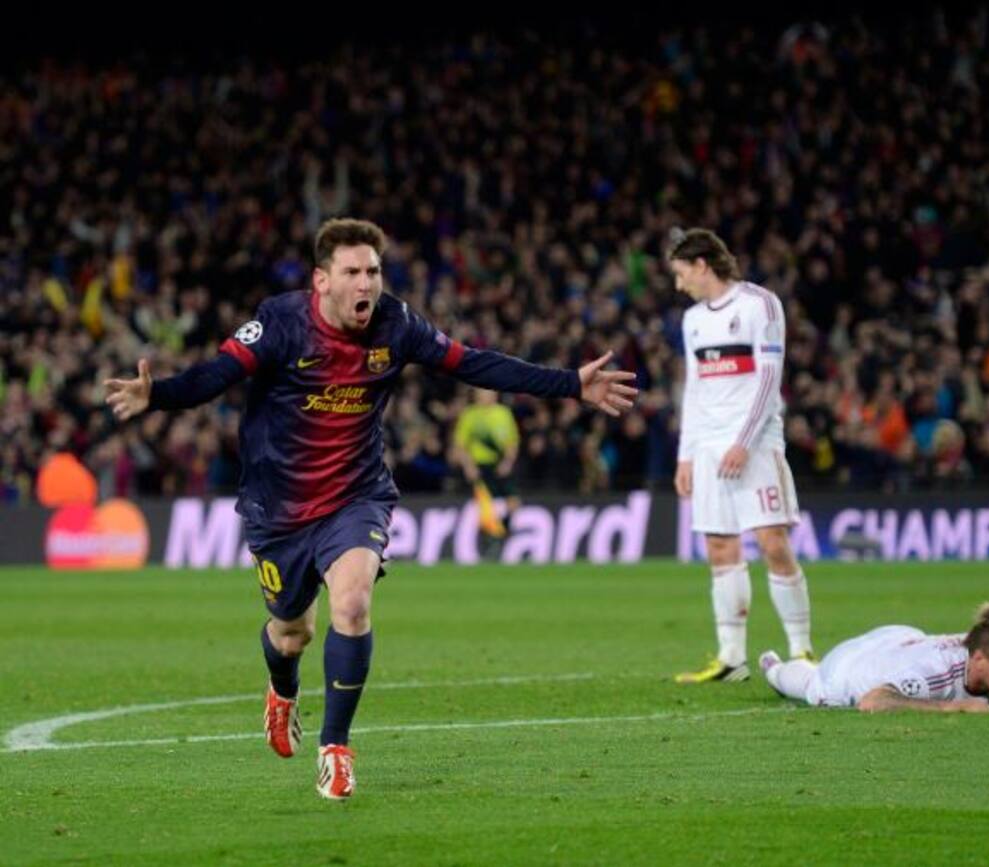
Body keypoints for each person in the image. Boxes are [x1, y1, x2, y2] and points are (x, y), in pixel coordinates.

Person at [103, 218, 638, 798]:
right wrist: (157, 394)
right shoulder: (282, 321)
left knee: (353, 604)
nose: (366, 285)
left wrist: (568, 384)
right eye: (353, 273)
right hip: (278, 507)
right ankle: (282, 690)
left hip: (356, 496)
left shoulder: (397, 324)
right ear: (321, 280)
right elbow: (217, 375)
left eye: (374, 272)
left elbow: (472, 362)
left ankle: (336, 749)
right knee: (290, 632)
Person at [667, 228, 814, 684]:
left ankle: (802, 650)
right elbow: (694, 387)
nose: (678, 285)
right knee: (719, 546)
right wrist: (686, 455)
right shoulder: (693, 320)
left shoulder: (759, 305)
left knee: (772, 541)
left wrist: (743, 442)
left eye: (680, 274)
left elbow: (770, 380)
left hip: (754, 443)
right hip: (709, 448)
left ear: (701, 265)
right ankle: (732, 658)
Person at [759, 603, 989, 714]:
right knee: (811, 684)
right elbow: (872, 701)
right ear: (980, 659)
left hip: (898, 641)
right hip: (848, 671)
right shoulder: (938, 674)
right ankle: (774, 668)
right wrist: (956, 706)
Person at [452, 387, 520, 544]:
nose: (483, 397)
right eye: (480, 394)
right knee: (483, 506)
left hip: (499, 464)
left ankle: (502, 533)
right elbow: (461, 445)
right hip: (479, 466)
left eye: (486, 394)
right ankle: (486, 539)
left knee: (513, 502)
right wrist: (469, 466)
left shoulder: (503, 413)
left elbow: (512, 442)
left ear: (495, 395)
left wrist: (507, 463)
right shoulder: (470, 414)